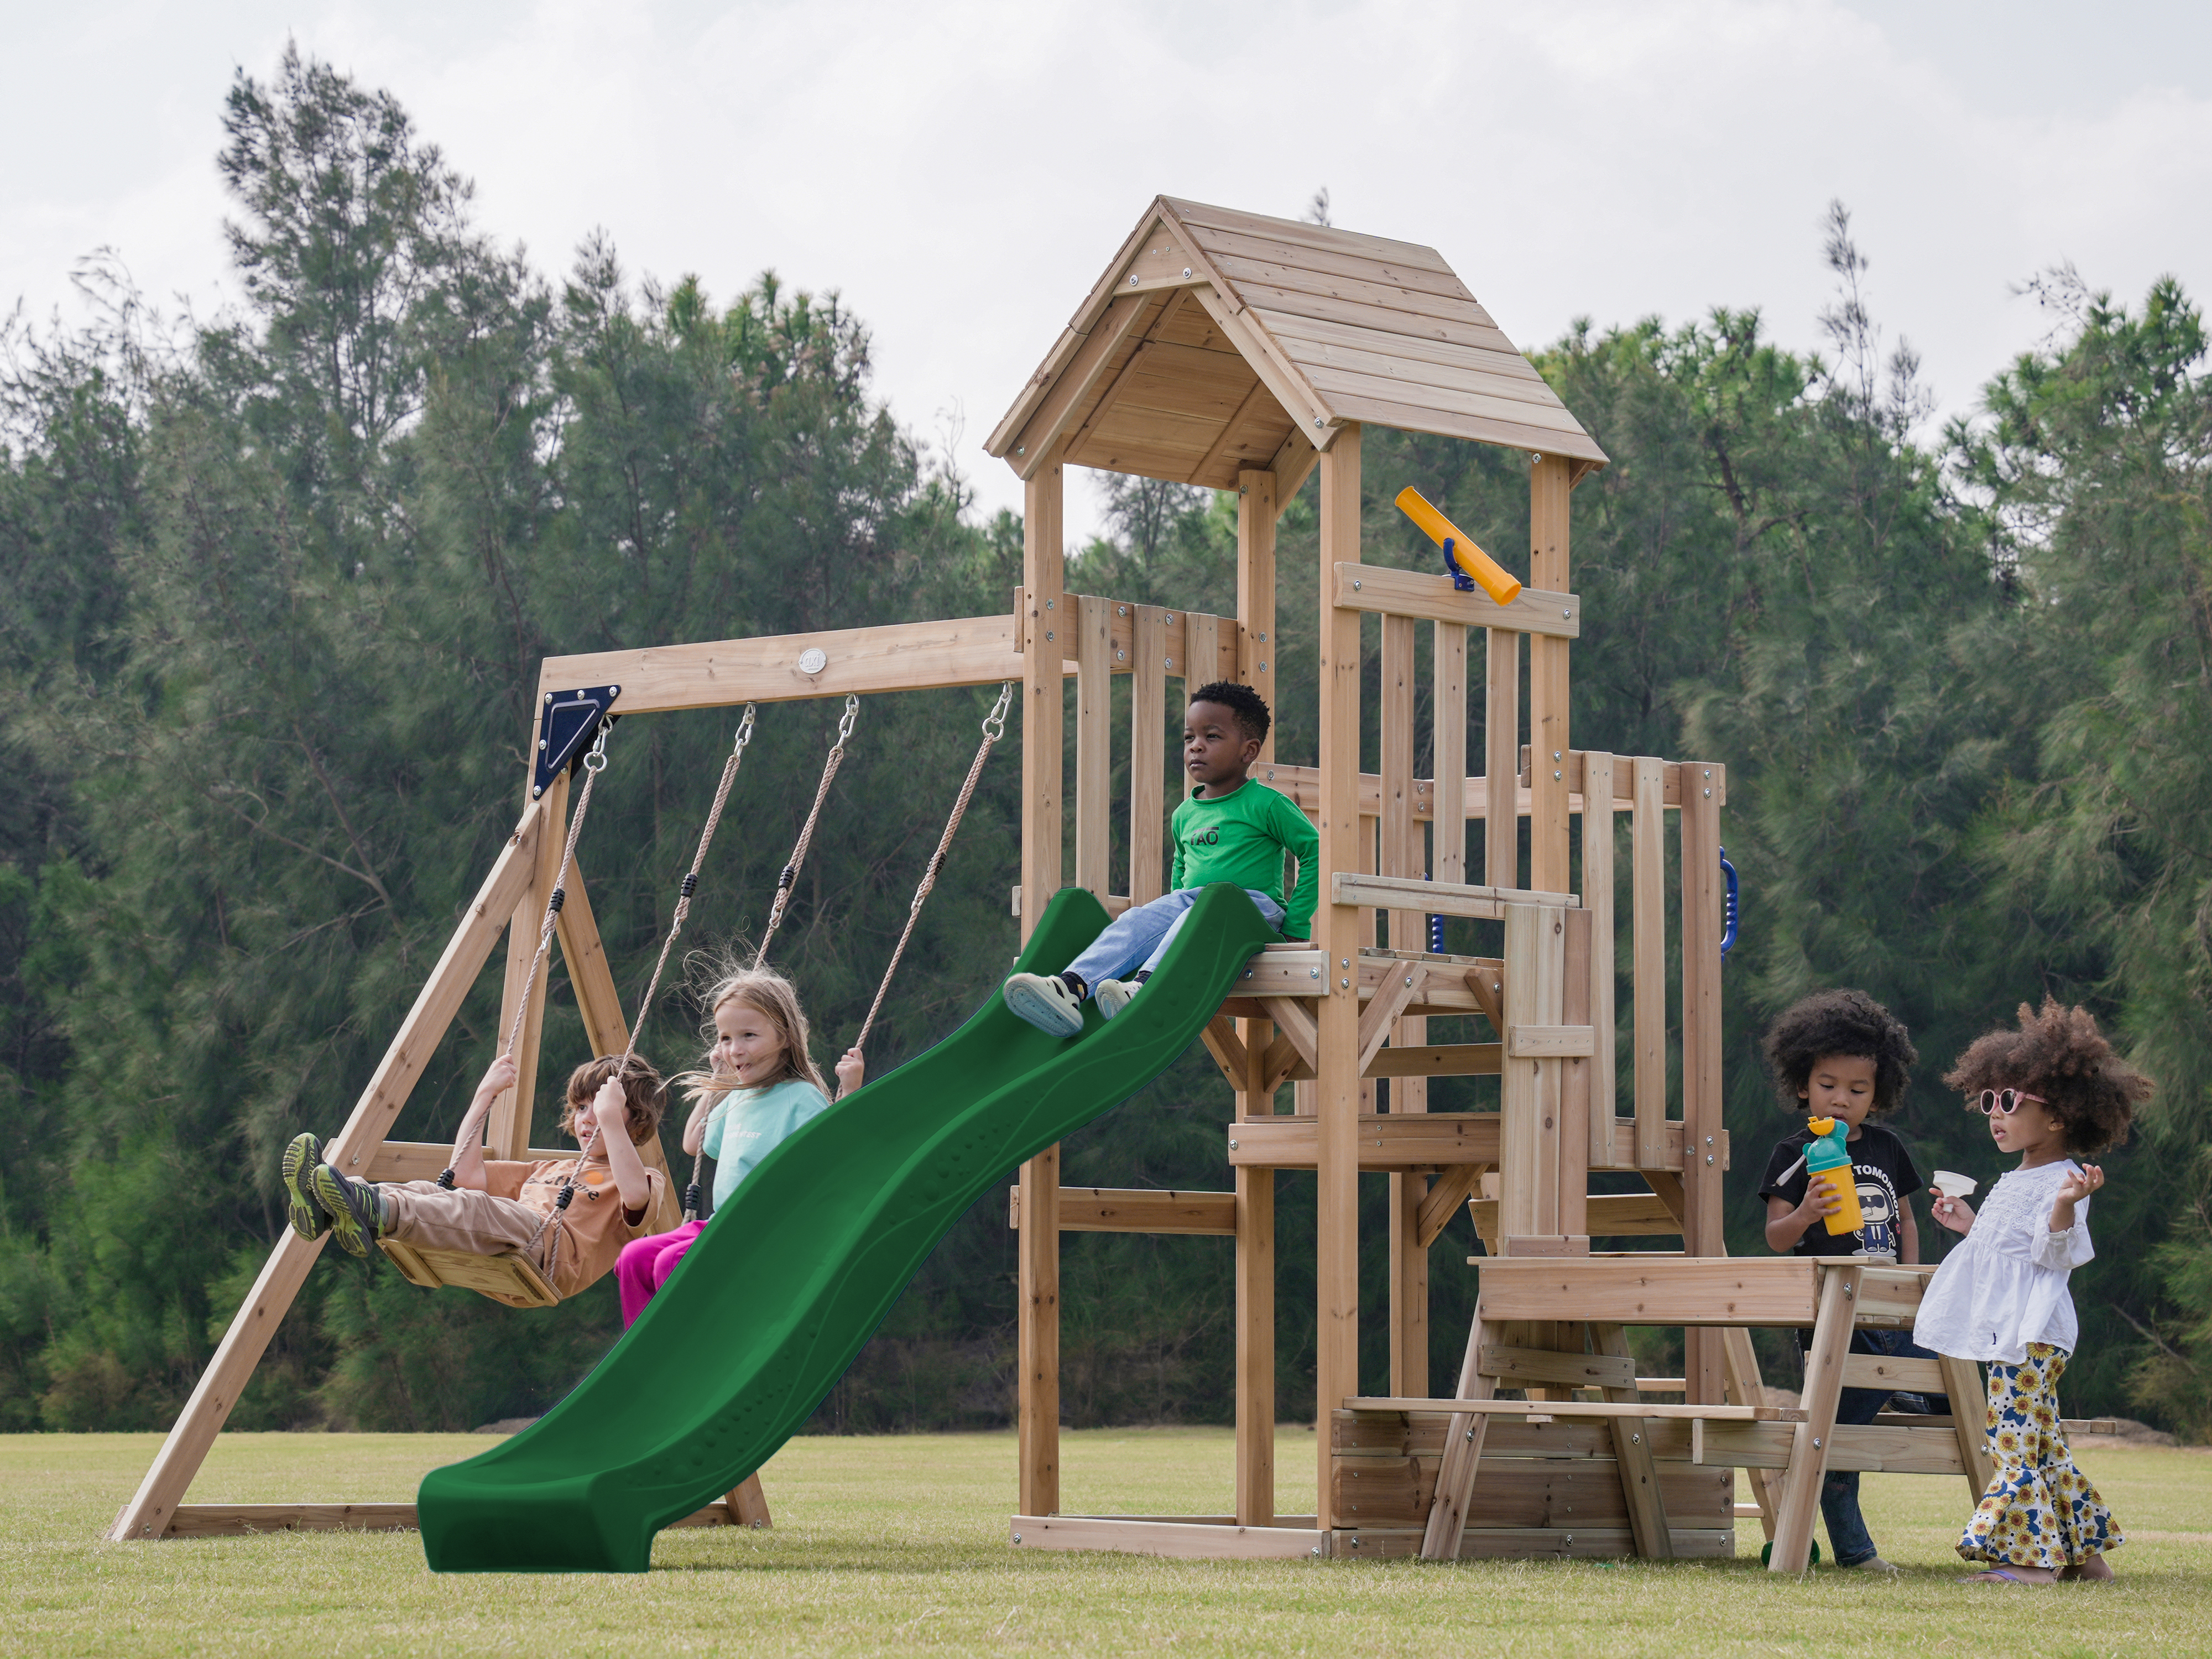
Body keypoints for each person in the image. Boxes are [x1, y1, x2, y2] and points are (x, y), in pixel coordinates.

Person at [1921, 997, 2149, 1585]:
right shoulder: (2016, 1177)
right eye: (1989, 1102)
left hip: (2029, 1336)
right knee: (2041, 1443)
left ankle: (2027, 1564)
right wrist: (1968, 1224)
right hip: (2012, 1332)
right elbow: (2007, 1251)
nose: (1994, 1114)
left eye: (2009, 1103)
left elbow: (2055, 1256)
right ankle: (2084, 1557)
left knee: (2012, 1442)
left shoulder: (2062, 1182)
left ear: (2057, 1117)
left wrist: (2066, 1210)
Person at [1001, 681, 1317, 1036]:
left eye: (1211, 737)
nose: (1196, 745)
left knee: (1197, 911)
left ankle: (1146, 988)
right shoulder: (1184, 814)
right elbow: (1181, 870)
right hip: (1198, 907)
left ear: (1248, 751)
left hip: (1252, 912)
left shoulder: (1266, 804)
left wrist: (1295, 926)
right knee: (1138, 918)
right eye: (1189, 738)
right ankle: (1071, 986)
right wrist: (1168, 911)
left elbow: (1315, 851)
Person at [1755, 988, 1940, 1573]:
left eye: (1857, 1091)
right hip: (1834, 1316)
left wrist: (1912, 1284)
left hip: (1892, 1309)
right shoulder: (1795, 1152)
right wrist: (1807, 1213)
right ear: (1803, 1085)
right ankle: (1855, 1553)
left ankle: (1908, 1391)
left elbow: (1905, 1219)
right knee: (1835, 1438)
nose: (1841, 1100)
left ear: (1877, 1095)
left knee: (1951, 1392)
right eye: (1828, 1086)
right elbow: (1775, 1237)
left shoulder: (1886, 1147)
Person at [282, 1051, 667, 1300]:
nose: (588, 1118)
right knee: (430, 1191)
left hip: (550, 1254)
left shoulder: (640, 1178)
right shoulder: (550, 1168)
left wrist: (611, 1118)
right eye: (582, 1107)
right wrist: (483, 1097)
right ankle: (333, 1207)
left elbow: (636, 1198)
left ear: (635, 1120)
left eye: (598, 1108)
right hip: (514, 1235)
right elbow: (466, 1176)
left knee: (475, 1207)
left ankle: (372, 1210)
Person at [613, 965, 864, 1327]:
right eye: (726, 1039)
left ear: (785, 1037)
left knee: (672, 1264)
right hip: (723, 1225)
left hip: (766, 1236)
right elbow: (693, 1141)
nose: (735, 1049)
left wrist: (851, 1091)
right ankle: (642, 1350)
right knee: (634, 1257)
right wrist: (721, 1080)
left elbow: (835, 1157)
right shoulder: (738, 1098)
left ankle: (688, 1347)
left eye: (748, 1035)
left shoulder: (800, 1098)